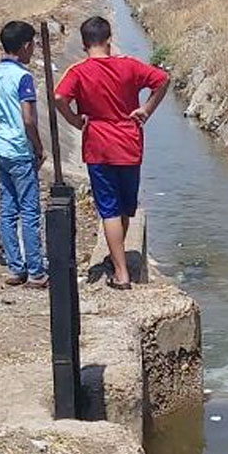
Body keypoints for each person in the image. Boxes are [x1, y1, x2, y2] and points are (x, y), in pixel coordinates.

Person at [53, 16, 171, 291]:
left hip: (98, 146)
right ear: (109, 39)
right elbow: (162, 80)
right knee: (125, 207)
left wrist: (73, 120)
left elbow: (58, 98)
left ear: (84, 43)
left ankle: (120, 273)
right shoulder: (128, 64)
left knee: (108, 209)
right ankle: (119, 260)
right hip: (129, 143)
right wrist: (147, 109)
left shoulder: (79, 71)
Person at [0, 20, 47, 288]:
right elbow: (28, 119)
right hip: (20, 151)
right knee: (29, 212)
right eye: (33, 46)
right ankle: (36, 272)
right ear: (26, 46)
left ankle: (15, 268)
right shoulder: (23, 78)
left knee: (8, 211)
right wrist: (38, 148)